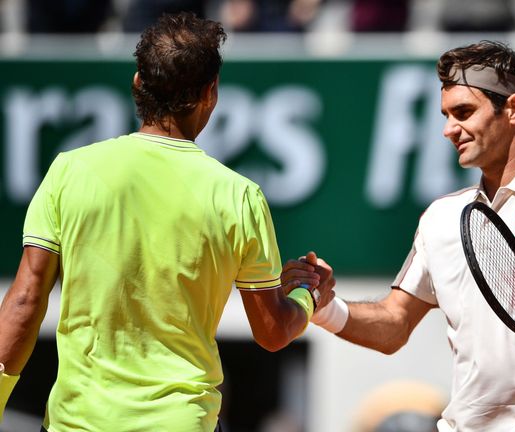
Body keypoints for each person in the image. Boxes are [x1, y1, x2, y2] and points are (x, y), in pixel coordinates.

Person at [287, 40, 515, 431]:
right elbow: (393, 324)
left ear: (513, 109)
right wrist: (322, 306)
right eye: (446, 115)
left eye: (463, 112)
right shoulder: (440, 216)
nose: (449, 130)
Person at [0, 12, 332, 432]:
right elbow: (271, 331)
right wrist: (307, 295)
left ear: (139, 82)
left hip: (79, 422)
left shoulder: (71, 170)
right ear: (211, 93)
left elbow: (26, 300)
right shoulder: (239, 195)